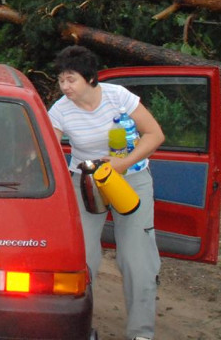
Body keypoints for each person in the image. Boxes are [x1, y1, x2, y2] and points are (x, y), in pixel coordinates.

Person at [47, 45, 165, 340]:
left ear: (90, 78)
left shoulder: (119, 97)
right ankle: (78, 328)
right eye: (61, 80)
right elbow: (48, 147)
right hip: (85, 182)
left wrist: (124, 163)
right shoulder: (60, 109)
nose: (65, 86)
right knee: (82, 258)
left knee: (137, 259)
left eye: (71, 79)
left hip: (131, 179)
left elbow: (155, 134)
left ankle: (141, 333)